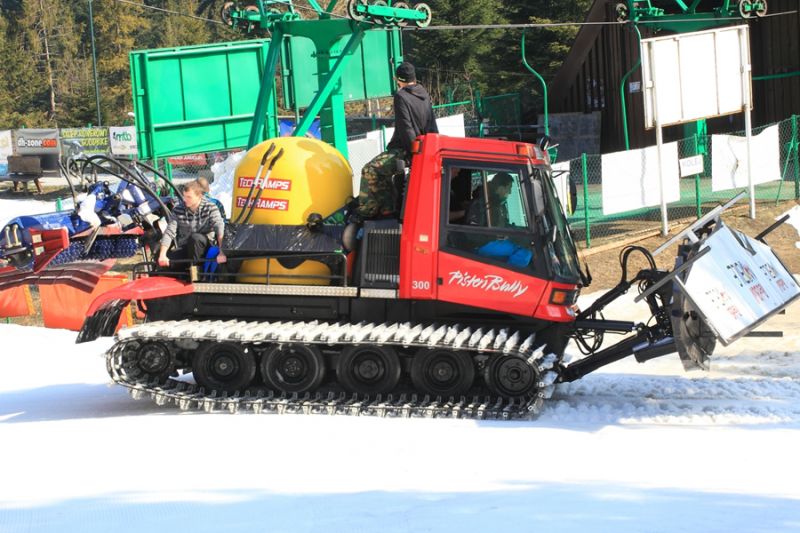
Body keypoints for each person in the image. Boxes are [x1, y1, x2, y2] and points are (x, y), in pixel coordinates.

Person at [356, 61, 438, 219]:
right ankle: (388, 208)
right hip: (423, 147)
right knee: (383, 172)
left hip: (408, 149)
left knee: (370, 169)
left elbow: (406, 127)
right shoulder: (424, 93)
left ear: (398, 80)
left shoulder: (401, 96)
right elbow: (431, 122)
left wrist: (413, 153)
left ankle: (366, 212)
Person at [158, 180, 227, 270]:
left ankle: (197, 273)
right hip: (186, 248)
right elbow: (169, 231)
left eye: (189, 197)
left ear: (200, 196)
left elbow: (219, 228)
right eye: (184, 196)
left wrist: (222, 252)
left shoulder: (210, 207)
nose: (184, 199)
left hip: (205, 249)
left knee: (195, 238)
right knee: (164, 264)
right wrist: (162, 255)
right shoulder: (178, 209)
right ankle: (187, 272)